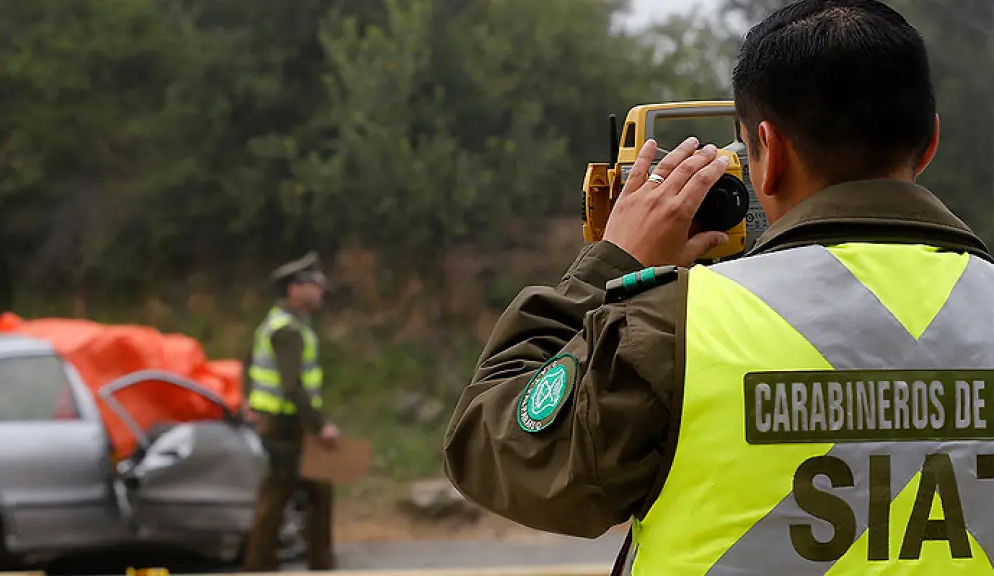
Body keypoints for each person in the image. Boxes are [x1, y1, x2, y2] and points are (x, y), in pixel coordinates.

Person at [443, 1, 994, 573]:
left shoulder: (670, 326)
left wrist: (612, 264)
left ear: (768, 153)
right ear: (929, 142)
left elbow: (495, 452)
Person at [243, 251, 340, 571]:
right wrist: (320, 425)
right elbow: (292, 385)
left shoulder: (279, 322)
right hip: (287, 425)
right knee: (278, 494)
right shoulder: (288, 330)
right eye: (313, 285)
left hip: (284, 422)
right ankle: (263, 565)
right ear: (294, 289)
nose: (320, 291)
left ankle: (315, 561)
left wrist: (248, 399)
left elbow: (248, 362)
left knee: (314, 490)